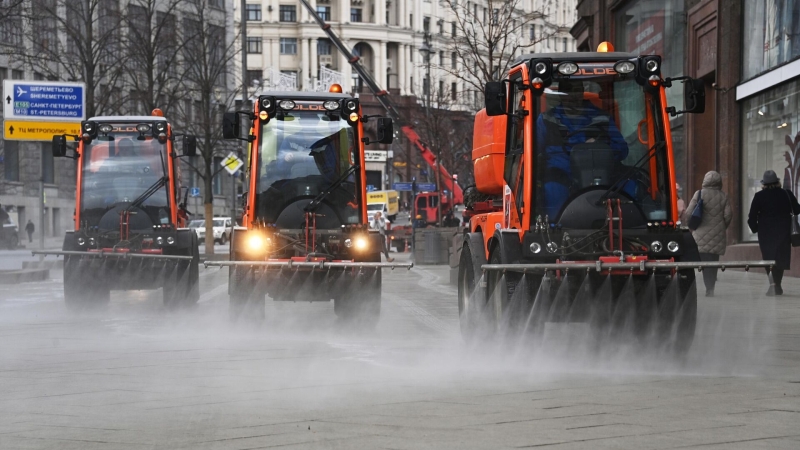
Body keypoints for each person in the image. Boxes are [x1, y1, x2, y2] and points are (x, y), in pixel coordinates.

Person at [536, 79, 629, 218]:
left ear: (582, 92)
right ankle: (555, 229)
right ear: (561, 94)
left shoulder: (601, 118)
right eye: (568, 91)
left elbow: (622, 149)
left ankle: (632, 226)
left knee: (629, 184)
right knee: (552, 190)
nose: (573, 96)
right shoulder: (546, 120)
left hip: (600, 172)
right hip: (562, 174)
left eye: (577, 90)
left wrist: (600, 148)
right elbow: (534, 152)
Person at [748, 169, 800, 296]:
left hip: (766, 232)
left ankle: (773, 284)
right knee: (780, 257)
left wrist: (756, 228)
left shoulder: (759, 196)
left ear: (764, 184)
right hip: (783, 230)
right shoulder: (786, 194)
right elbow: (797, 210)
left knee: (769, 258)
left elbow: (752, 217)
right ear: (777, 182)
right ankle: (778, 284)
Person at [682, 171, 731, 297]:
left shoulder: (699, 194)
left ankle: (700, 287)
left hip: (700, 233)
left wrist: (691, 225)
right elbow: (728, 215)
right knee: (713, 263)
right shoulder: (723, 196)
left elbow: (688, 213)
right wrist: (722, 227)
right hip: (718, 234)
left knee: (702, 262)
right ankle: (710, 288)